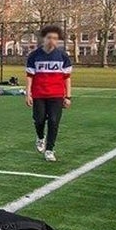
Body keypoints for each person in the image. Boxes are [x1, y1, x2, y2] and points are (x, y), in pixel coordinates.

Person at [25, 24, 72, 163]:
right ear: (43, 39)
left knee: (53, 121)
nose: (52, 41)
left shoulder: (63, 56)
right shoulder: (34, 55)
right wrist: (28, 94)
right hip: (39, 94)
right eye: (49, 38)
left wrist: (68, 96)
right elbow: (29, 76)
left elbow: (67, 78)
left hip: (56, 95)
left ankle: (50, 150)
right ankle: (40, 138)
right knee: (39, 120)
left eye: (55, 38)